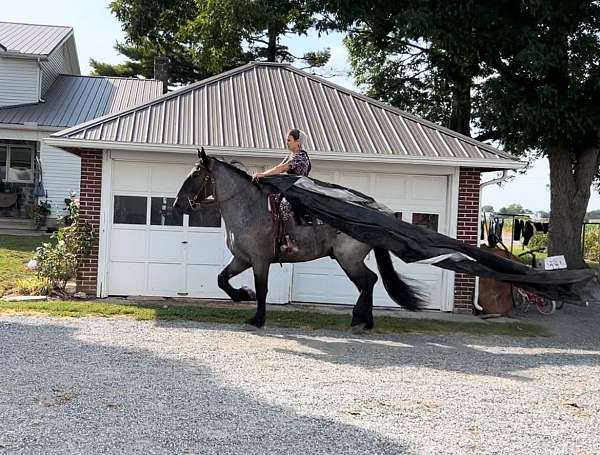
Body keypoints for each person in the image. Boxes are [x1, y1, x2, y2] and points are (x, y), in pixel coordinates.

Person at [252, 129, 311, 253]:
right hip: (291, 189)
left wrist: (262, 174)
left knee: (284, 205)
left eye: (289, 140)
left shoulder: (300, 156)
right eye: (286, 140)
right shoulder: (290, 155)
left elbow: (282, 168)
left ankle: (292, 241)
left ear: (298, 142)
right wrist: (263, 176)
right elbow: (277, 168)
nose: (287, 143)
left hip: (299, 191)